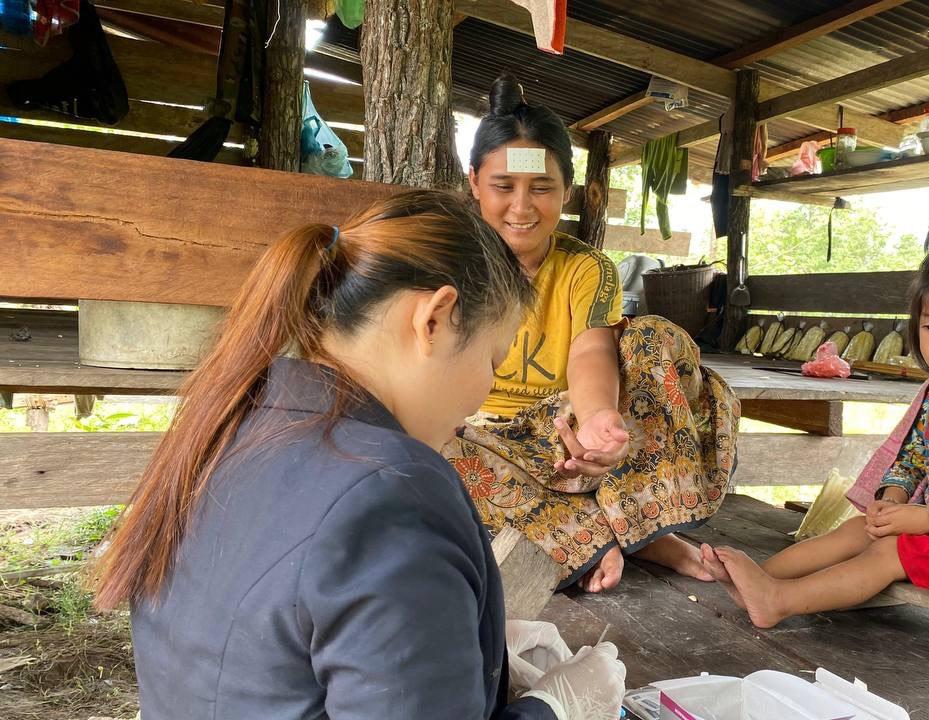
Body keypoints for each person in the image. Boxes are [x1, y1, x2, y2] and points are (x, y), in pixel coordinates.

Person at [91, 191, 626, 720]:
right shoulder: (394, 490)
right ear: (434, 320)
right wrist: (554, 709)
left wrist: (462, 644)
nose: (482, 398)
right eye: (493, 358)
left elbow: (279, 649)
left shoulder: (234, 421)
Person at [443, 72, 740, 593]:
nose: (522, 206)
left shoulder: (587, 268)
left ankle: (639, 521)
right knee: (433, 461)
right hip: (484, 439)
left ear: (569, 191)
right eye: (503, 186)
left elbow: (590, 352)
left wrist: (599, 419)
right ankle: (604, 534)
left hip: (565, 433)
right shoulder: (445, 265)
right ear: (473, 182)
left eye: (541, 188)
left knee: (651, 335)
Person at [701, 210, 929, 628]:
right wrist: (893, 497)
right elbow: (913, 458)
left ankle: (778, 599)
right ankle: (761, 578)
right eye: (928, 326)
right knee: (857, 531)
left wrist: (925, 519)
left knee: (889, 552)